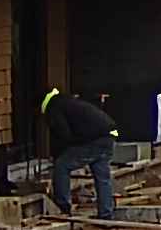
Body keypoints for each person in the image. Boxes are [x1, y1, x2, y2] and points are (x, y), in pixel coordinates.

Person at [40, 86, 120, 218]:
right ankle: (106, 213)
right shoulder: (67, 102)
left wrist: (59, 154)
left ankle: (63, 207)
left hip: (94, 139)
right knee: (102, 177)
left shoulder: (54, 108)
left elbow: (64, 135)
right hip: (108, 135)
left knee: (61, 166)